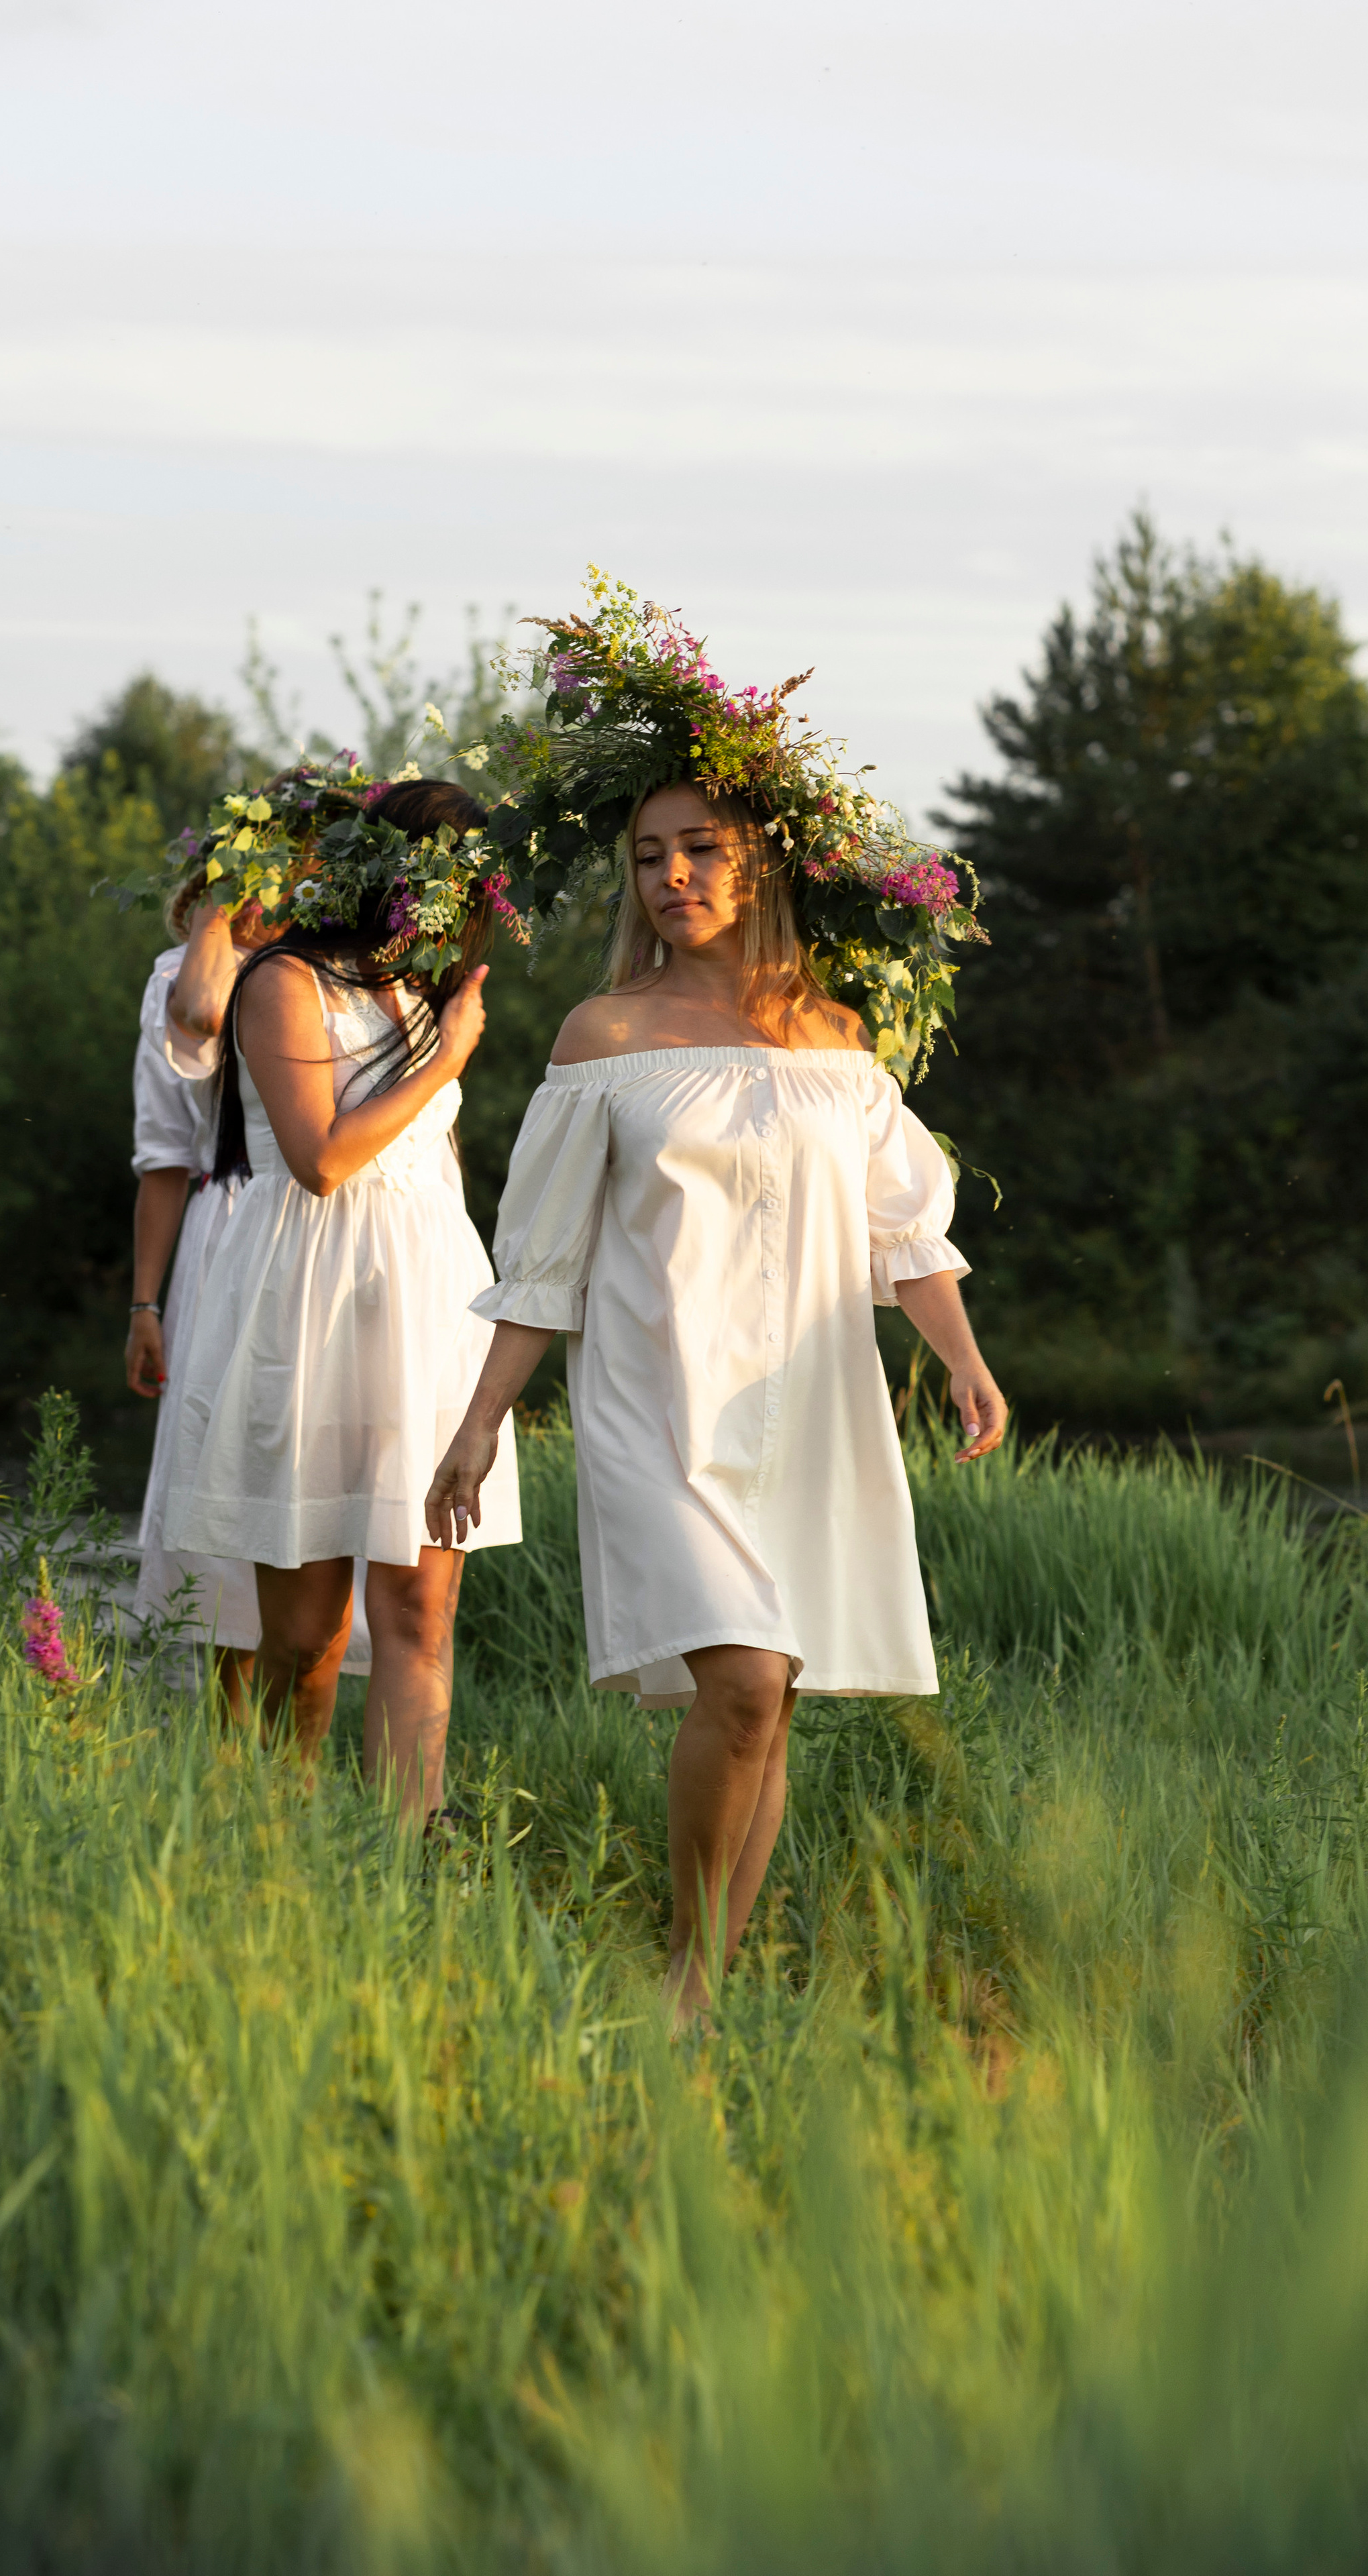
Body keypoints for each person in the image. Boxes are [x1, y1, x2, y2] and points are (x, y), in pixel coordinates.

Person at [425, 775, 1005, 2020]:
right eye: (647, 858)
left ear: (762, 868)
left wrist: (961, 1355)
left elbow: (901, 1232)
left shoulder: (836, 1040)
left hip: (808, 1404)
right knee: (741, 1679)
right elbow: (544, 1260)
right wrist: (479, 1423)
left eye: (699, 851)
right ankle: (682, 1975)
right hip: (658, 1402)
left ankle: (707, 1998)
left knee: (770, 1701)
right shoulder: (605, 1038)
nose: (670, 878)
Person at [164, 778, 522, 1821]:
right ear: (394, 874)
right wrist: (449, 1057)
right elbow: (322, 1161)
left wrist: (482, 1360)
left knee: (420, 1612)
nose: (463, 906)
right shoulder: (284, 982)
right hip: (310, 1306)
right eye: (448, 880)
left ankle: (410, 1857)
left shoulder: (420, 994)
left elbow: (428, 1169)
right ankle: (277, 1844)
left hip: (425, 1308)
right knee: (307, 1635)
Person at [126, 867, 370, 1711]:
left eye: (295, 874)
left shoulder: (339, 979)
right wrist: (145, 1305)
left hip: (331, 1229)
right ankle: (232, 1766)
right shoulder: (182, 978)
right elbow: (162, 1156)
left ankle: (299, 1755)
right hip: (225, 1230)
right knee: (228, 1478)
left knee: (319, 1482)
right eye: (251, 880)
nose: (277, 896)